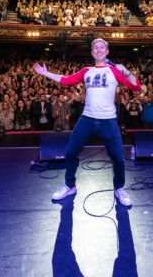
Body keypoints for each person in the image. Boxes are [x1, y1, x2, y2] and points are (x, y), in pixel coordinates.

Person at [33, 38, 141, 206]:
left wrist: (126, 71)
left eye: (102, 47)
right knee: (70, 152)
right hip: (87, 119)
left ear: (107, 52)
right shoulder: (86, 71)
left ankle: (119, 188)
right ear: (92, 53)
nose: (98, 50)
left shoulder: (114, 71)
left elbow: (136, 87)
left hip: (108, 121)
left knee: (118, 158)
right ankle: (70, 185)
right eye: (95, 48)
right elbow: (66, 80)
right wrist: (46, 74)